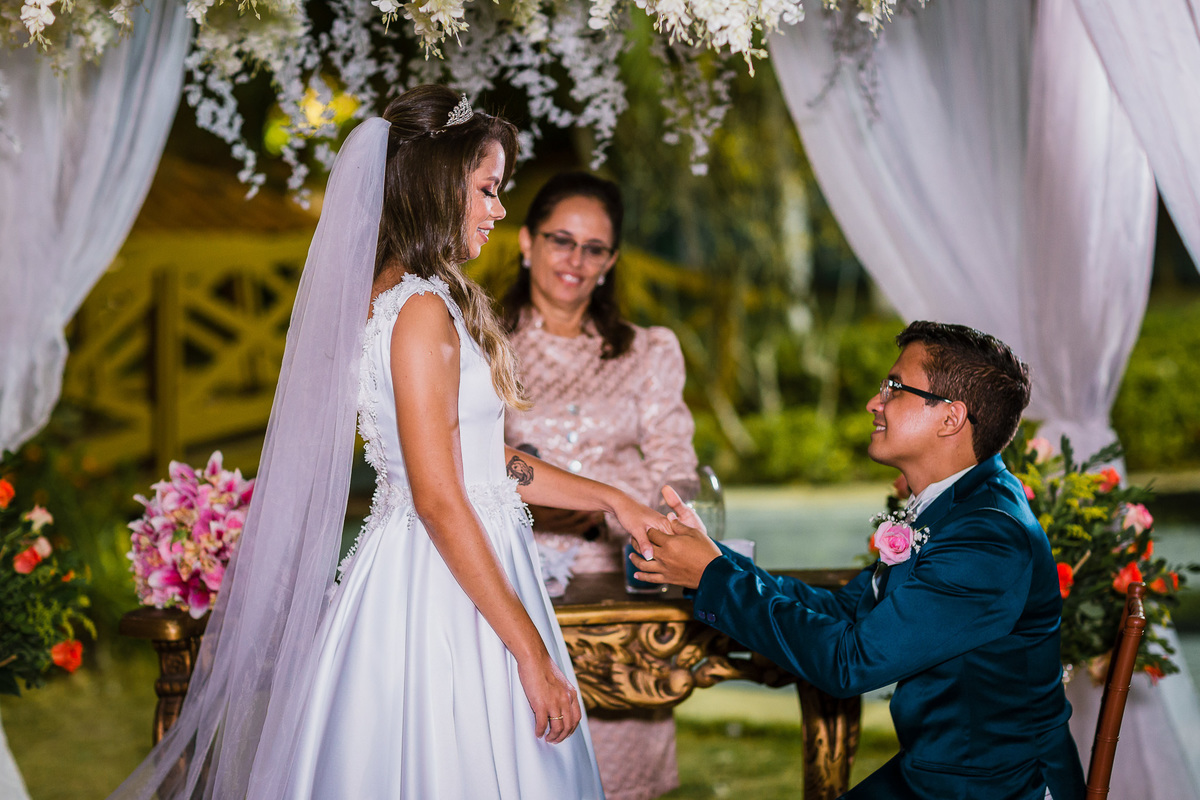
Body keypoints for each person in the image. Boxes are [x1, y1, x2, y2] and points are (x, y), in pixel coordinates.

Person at [110, 86, 668, 800]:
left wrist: (615, 499)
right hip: (439, 587)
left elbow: (480, 460)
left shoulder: (412, 297)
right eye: (488, 190)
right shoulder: (420, 312)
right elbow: (438, 498)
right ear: (439, 186)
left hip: (466, 558)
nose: (499, 210)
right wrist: (529, 652)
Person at [634, 321, 1088, 800]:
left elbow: (849, 664)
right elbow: (849, 611)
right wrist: (711, 560)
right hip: (944, 771)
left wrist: (712, 576)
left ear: (951, 419)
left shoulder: (988, 537)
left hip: (997, 786)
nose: (875, 402)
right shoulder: (961, 503)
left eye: (894, 388)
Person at [502, 172, 698, 800]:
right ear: (527, 242)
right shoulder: (482, 346)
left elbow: (674, 466)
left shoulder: (648, 351)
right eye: (562, 240)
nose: (576, 261)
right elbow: (465, 463)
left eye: (594, 248)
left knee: (620, 774)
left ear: (610, 261)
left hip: (623, 578)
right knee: (525, 761)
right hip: (513, 580)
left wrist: (639, 517)